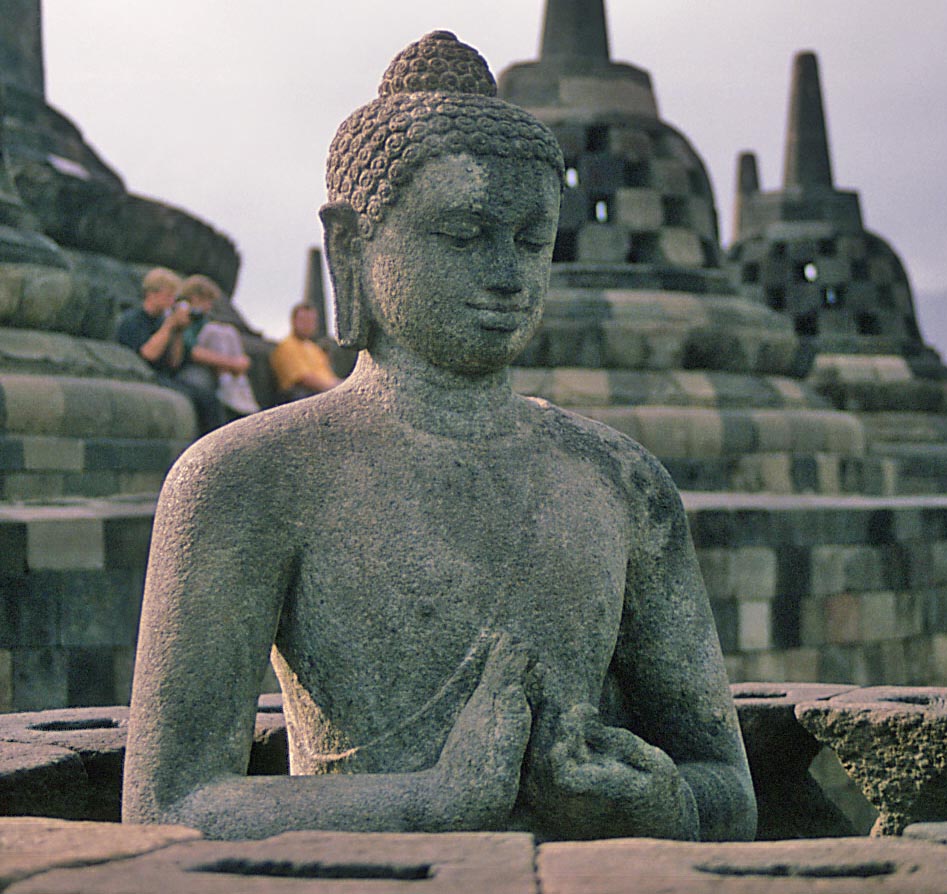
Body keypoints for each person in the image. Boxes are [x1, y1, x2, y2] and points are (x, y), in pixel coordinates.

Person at [123, 31, 756, 844]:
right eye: (463, 236)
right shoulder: (246, 479)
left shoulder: (622, 482)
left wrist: (662, 801)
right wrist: (430, 803)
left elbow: (730, 790)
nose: (508, 273)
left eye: (533, 242)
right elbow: (165, 810)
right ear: (350, 246)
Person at [115, 267, 224, 434]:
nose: (172, 301)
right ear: (152, 294)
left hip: (164, 374)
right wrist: (170, 325)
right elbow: (148, 354)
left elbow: (174, 362)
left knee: (208, 399)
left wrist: (179, 332)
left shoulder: (162, 320)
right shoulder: (133, 320)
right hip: (141, 373)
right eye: (168, 295)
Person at [174, 274, 259, 424]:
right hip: (187, 368)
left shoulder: (204, 319)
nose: (209, 306)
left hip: (217, 367)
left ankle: (238, 385)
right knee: (215, 332)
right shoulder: (183, 317)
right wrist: (232, 363)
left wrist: (241, 363)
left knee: (228, 331)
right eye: (207, 300)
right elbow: (192, 351)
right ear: (194, 298)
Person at [269, 303, 341, 401]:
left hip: (326, 392)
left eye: (311, 321)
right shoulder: (286, 346)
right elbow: (304, 379)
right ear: (293, 321)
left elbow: (328, 376)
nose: (308, 325)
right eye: (303, 320)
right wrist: (335, 389)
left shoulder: (315, 349)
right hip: (304, 397)